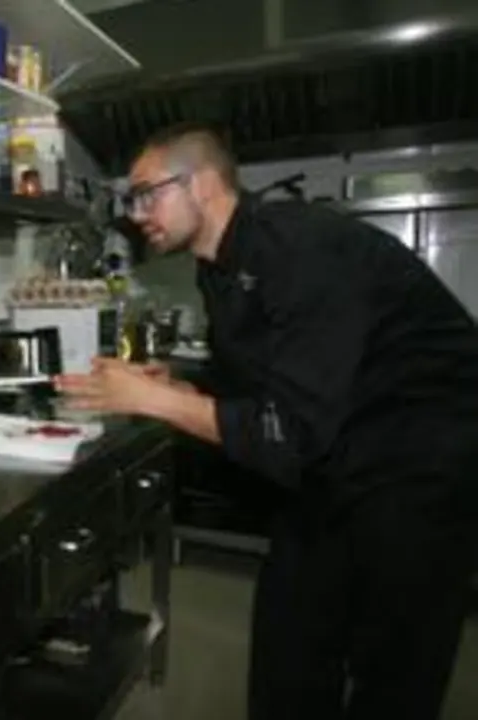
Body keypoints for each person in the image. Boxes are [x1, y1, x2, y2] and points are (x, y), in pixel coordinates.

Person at [55, 124, 478, 720]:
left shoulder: (304, 248)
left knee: (394, 674)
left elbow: (291, 433)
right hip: (331, 465)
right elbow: (254, 384)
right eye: (131, 200)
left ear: (202, 184)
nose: (135, 214)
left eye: (147, 194)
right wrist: (179, 388)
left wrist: (157, 403)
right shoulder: (217, 266)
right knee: (290, 650)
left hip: (421, 470)